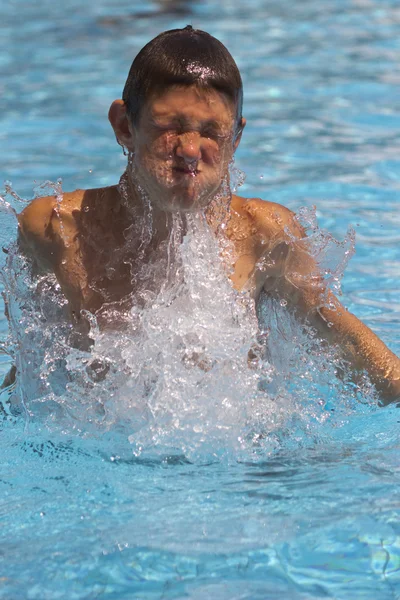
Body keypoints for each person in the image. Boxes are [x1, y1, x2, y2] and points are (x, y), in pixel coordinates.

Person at [17, 26, 400, 404]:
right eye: (170, 127)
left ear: (235, 138)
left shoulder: (263, 235)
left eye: (212, 132)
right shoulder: (55, 229)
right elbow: (34, 363)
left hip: (246, 464)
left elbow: (340, 338)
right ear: (124, 126)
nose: (189, 150)